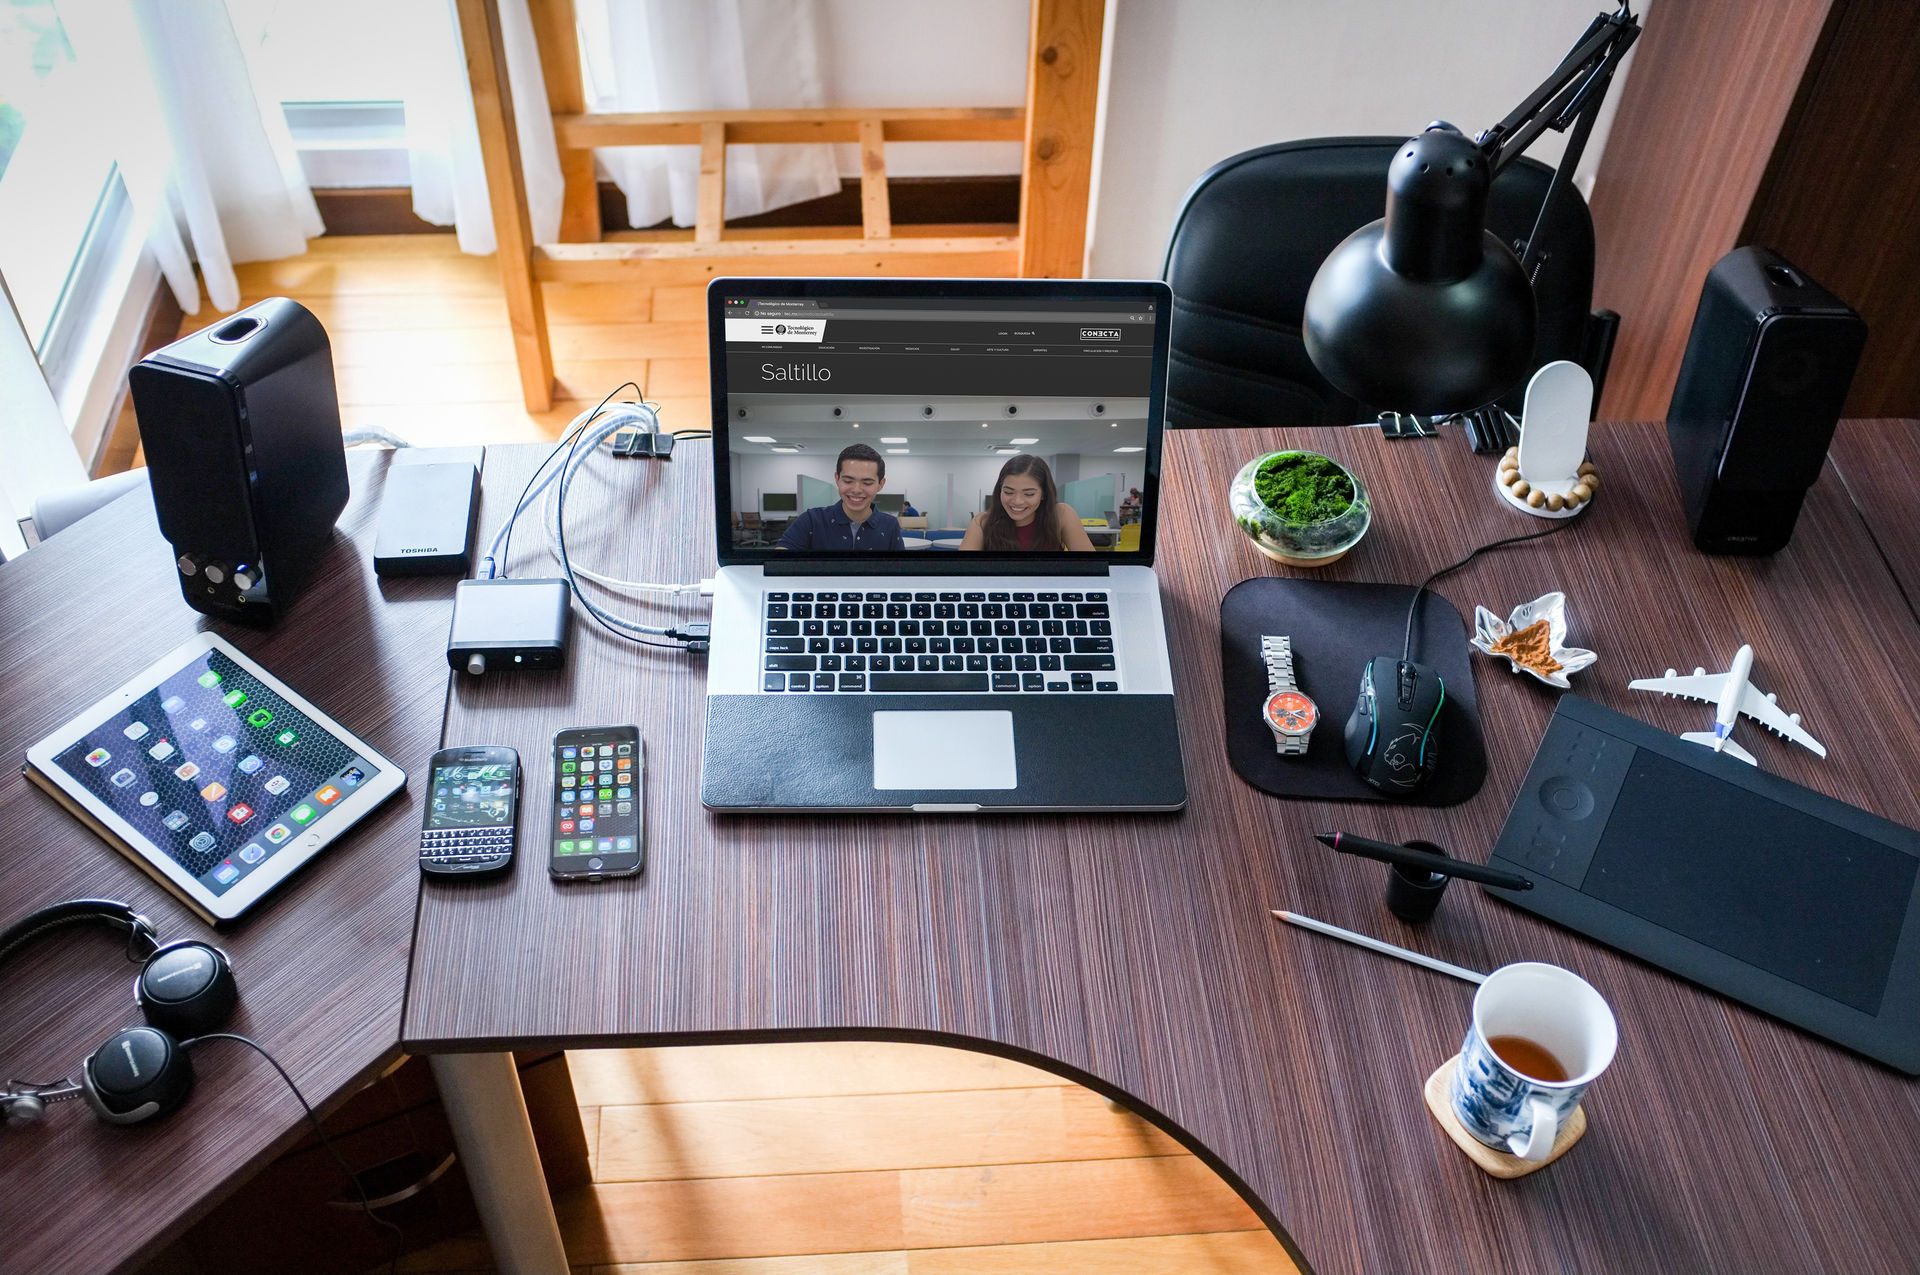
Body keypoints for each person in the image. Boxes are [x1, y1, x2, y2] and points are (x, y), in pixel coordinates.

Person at [774, 443, 904, 550]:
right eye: (848, 481)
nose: (856, 490)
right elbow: (780, 562)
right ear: (837, 479)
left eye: (867, 483)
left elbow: (900, 572)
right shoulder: (811, 521)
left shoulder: (890, 525)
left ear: (880, 484)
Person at [960, 454, 1095, 551]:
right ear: (999, 490)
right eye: (1008, 492)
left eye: (1029, 494)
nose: (1017, 501)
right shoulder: (982, 522)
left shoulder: (1062, 514)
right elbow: (962, 576)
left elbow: (1090, 569)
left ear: (1043, 494)